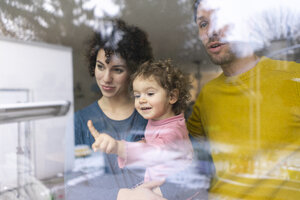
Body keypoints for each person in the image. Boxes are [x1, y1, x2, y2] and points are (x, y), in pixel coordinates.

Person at [187, 0, 300, 199]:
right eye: (203, 24)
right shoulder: (207, 95)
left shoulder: (293, 78)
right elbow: (180, 148)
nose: (211, 31)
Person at [73, 19, 167, 200]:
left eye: (117, 70)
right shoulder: (80, 121)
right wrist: (123, 195)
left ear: (133, 72)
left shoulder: (153, 116)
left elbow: (180, 169)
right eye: (100, 67)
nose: (106, 78)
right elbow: (74, 190)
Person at [88, 60, 197, 198]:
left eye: (150, 94)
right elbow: (152, 143)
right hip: (164, 185)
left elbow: (154, 153)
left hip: (175, 191)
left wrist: (118, 147)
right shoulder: (159, 121)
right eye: (137, 95)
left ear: (172, 96)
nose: (141, 100)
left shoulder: (173, 131)